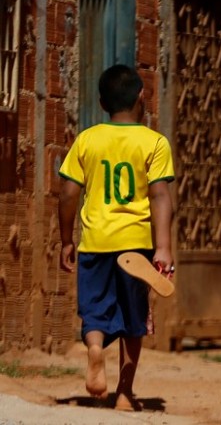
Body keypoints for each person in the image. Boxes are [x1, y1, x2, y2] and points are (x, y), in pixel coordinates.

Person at [58, 64, 175, 411]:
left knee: (94, 312)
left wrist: (67, 239)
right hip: (136, 246)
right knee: (133, 319)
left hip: (95, 242)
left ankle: (95, 349)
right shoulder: (154, 142)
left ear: (100, 101)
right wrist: (164, 247)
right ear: (142, 97)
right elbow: (160, 197)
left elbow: (67, 194)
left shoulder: (86, 140)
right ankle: (124, 392)